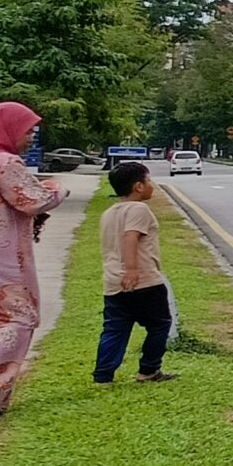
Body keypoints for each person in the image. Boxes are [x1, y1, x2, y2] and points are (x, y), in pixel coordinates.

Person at [0, 99, 70, 417]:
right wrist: (56, 188)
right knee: (20, 316)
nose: (31, 138)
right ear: (5, 129)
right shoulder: (4, 162)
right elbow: (33, 200)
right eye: (28, 131)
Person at [97, 159, 178, 387]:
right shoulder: (138, 209)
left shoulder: (109, 213)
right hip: (143, 280)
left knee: (114, 328)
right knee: (160, 324)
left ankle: (103, 376)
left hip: (113, 281)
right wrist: (132, 270)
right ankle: (149, 370)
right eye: (149, 180)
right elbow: (130, 236)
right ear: (138, 186)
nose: (151, 185)